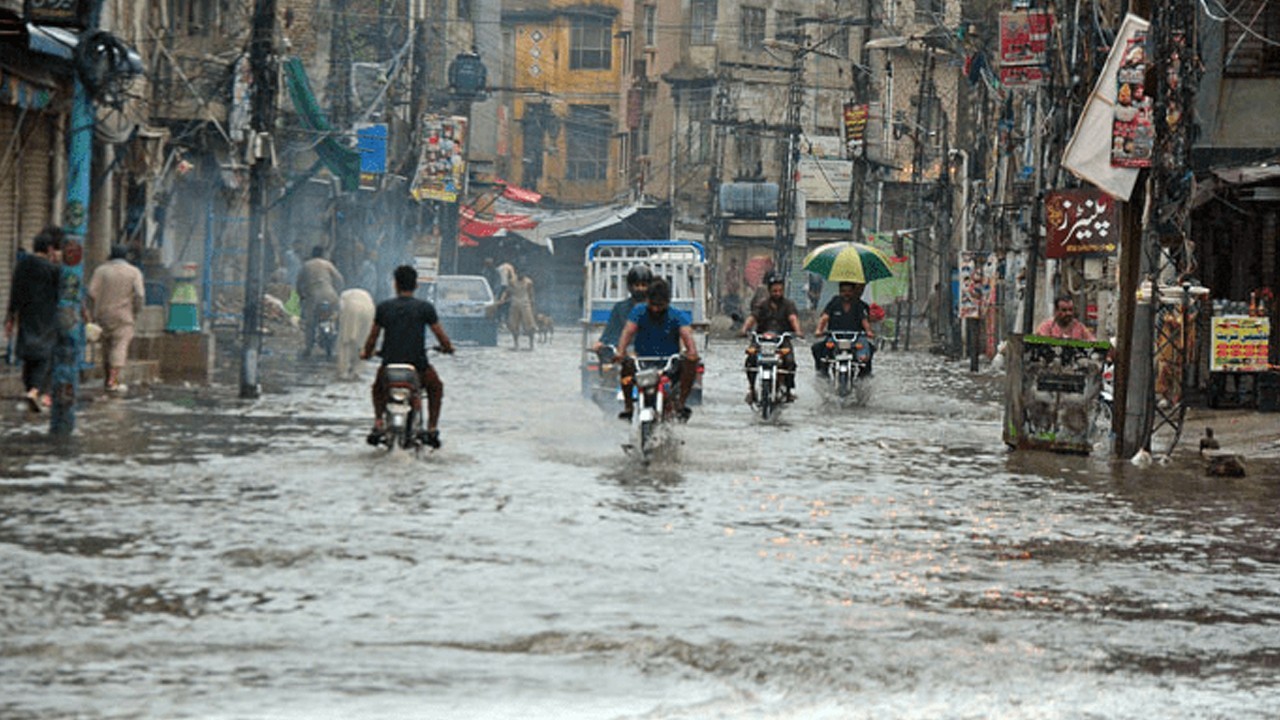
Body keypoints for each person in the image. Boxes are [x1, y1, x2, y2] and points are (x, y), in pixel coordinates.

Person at [360, 265, 455, 448]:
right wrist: (447, 348)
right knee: (436, 388)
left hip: (389, 366)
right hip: (418, 367)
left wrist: (366, 353)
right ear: (416, 285)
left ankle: (379, 423)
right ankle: (432, 428)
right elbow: (441, 336)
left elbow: (372, 337)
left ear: (395, 285)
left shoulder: (384, 308)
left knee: (377, 389)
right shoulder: (425, 308)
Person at [614, 278, 700, 422]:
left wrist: (692, 353)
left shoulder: (677, 316)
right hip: (642, 364)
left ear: (667, 302)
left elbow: (687, 337)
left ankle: (681, 404)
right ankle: (628, 407)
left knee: (691, 364)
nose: (655, 309)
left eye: (660, 305)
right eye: (652, 304)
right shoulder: (638, 312)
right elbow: (627, 332)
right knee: (626, 365)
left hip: (669, 366)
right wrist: (620, 352)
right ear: (647, 300)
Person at [5, 227, 63, 412]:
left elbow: (14, 291)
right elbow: (62, 293)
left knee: (29, 354)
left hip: (26, 314)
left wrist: (10, 316)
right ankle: (35, 391)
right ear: (50, 249)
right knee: (45, 354)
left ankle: (30, 389)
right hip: (46, 315)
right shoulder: (53, 269)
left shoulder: (22, 265)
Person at [87, 244, 145, 393]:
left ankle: (108, 380)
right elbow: (140, 295)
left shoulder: (101, 270)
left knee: (106, 348)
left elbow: (92, 292)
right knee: (119, 346)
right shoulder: (134, 272)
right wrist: (135, 311)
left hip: (102, 314)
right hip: (124, 315)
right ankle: (113, 381)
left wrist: (95, 309)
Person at [739, 272, 803, 404]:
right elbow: (752, 317)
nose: (777, 293)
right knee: (750, 359)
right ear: (769, 291)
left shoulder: (788, 304)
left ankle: (789, 390)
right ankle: (752, 389)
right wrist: (744, 329)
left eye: (780, 290)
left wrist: (798, 331)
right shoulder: (762, 304)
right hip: (761, 339)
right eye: (774, 291)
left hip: (781, 339)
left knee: (790, 361)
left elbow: (793, 318)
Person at [811, 281, 875, 376]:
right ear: (840, 291)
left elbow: (864, 320)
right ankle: (823, 373)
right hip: (836, 336)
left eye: (849, 291)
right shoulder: (834, 302)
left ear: (853, 292)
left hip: (856, 337)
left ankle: (864, 376)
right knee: (819, 350)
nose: (846, 294)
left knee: (866, 352)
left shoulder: (859, 304)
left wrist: (869, 332)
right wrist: (819, 330)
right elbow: (825, 317)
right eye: (844, 291)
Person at [593, 264, 652, 358]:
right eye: (637, 285)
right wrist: (602, 344)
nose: (640, 289)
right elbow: (610, 333)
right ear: (630, 287)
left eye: (644, 285)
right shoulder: (620, 308)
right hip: (625, 355)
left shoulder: (658, 308)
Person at [296, 245, 344, 358]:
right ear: (323, 254)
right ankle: (333, 345)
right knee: (336, 319)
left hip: (313, 297)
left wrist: (301, 296)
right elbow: (340, 280)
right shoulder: (327, 264)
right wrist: (337, 291)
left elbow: (299, 284)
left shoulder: (306, 265)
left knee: (310, 324)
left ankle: (308, 348)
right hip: (330, 295)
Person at [501, 270, 537, 350]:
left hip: (525, 304)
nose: (521, 275)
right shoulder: (512, 281)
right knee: (514, 325)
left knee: (530, 325)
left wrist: (533, 306)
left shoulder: (528, 282)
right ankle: (516, 344)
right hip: (515, 304)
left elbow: (531, 294)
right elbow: (507, 291)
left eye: (523, 274)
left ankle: (531, 345)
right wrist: (502, 298)